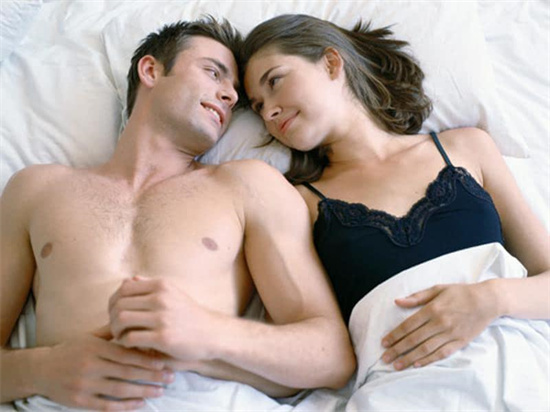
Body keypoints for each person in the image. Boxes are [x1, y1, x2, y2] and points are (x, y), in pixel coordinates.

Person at [0, 17, 356, 410]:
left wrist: (208, 335)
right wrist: (43, 368)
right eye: (213, 73)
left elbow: (331, 356)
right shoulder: (36, 190)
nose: (230, 96)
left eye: (236, 94)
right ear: (151, 70)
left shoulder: (249, 185)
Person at [241, 14, 549, 372]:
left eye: (274, 81)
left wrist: (492, 297)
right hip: (403, 388)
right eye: (258, 107)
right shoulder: (298, 203)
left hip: (520, 373)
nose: (269, 112)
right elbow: (313, 346)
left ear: (331, 63)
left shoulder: (467, 148)